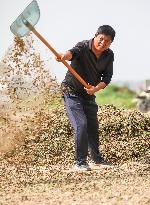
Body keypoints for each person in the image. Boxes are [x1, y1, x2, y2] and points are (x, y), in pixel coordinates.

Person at [56, 25, 116, 171]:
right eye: (101, 39)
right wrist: (63, 56)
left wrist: (95, 88)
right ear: (95, 35)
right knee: (81, 124)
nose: (103, 43)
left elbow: (107, 77)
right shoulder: (83, 46)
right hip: (71, 91)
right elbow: (72, 53)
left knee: (92, 127)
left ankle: (97, 159)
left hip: (88, 94)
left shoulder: (109, 55)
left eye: (107, 41)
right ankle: (80, 162)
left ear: (110, 43)